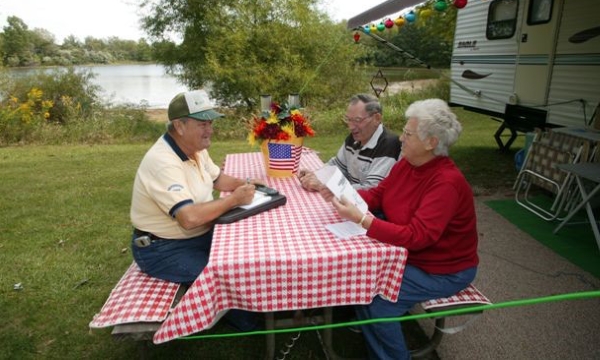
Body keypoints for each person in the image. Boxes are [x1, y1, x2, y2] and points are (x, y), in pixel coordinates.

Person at [321, 99, 479, 359]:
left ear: (431, 143)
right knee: (363, 284)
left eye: (408, 134)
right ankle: (376, 343)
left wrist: (363, 220)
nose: (401, 139)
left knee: (376, 299)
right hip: (410, 255)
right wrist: (345, 194)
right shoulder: (408, 163)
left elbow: (418, 237)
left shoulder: (446, 183)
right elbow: (380, 194)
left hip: (442, 270)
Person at [130, 90, 260, 330]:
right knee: (226, 280)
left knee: (250, 255)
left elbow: (219, 180)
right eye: (202, 124)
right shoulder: (163, 162)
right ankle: (252, 320)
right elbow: (188, 219)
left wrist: (250, 184)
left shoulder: (195, 149)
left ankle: (256, 306)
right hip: (162, 249)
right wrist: (233, 201)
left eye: (210, 122)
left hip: (198, 236)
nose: (209, 130)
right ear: (179, 126)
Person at [298, 93, 401, 191]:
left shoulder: (389, 145)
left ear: (376, 118)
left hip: (371, 208)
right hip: (351, 202)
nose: (351, 127)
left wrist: (326, 185)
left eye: (357, 120)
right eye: (348, 120)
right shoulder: (355, 138)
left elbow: (372, 189)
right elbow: (337, 166)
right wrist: (317, 175)